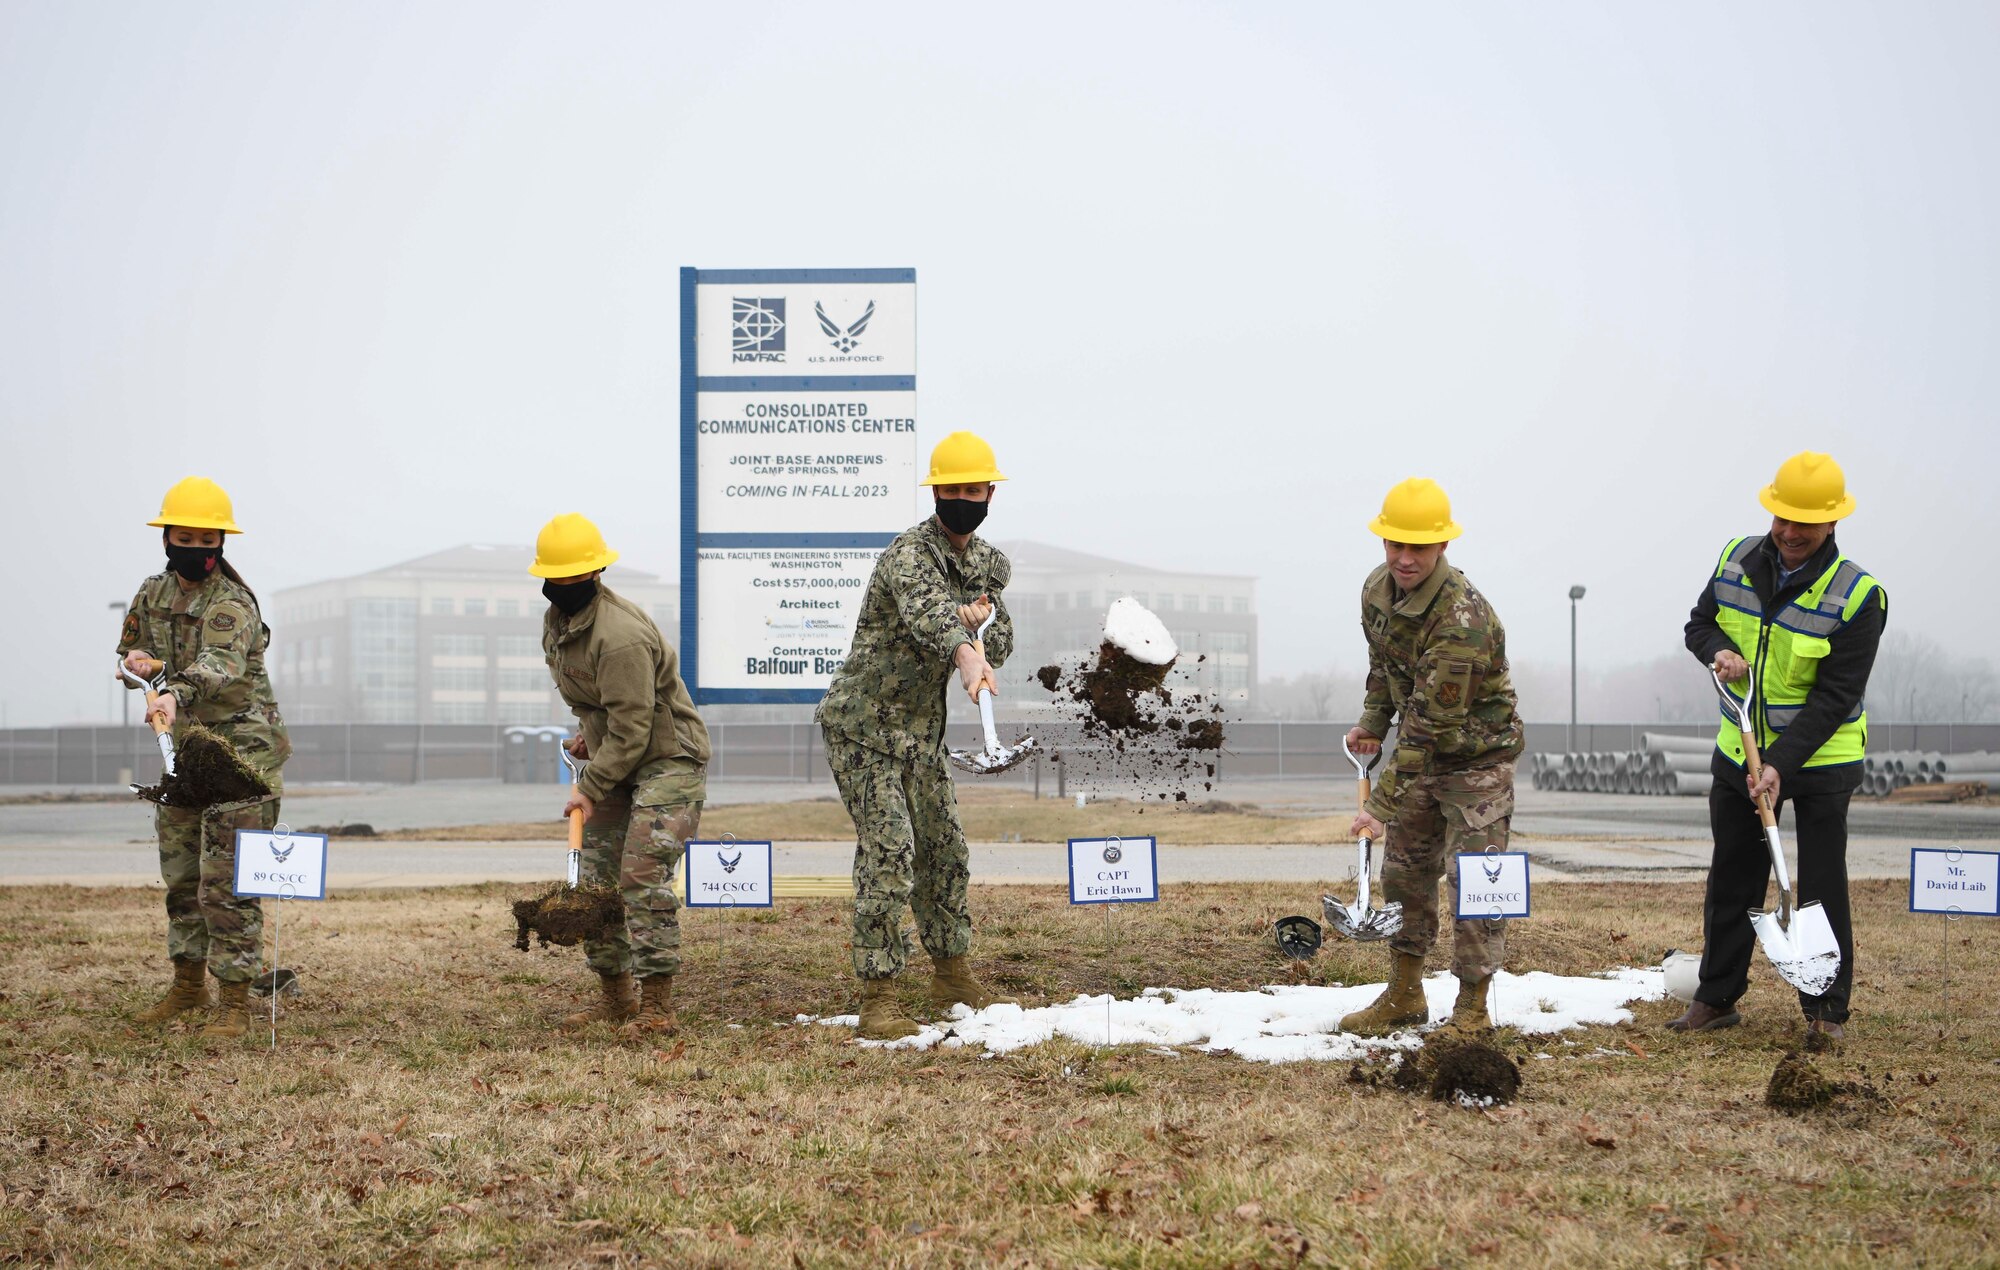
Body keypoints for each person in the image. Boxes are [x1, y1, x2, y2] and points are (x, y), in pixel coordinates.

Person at [1670, 452, 1884, 1039]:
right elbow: (1698, 623)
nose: (1790, 533)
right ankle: (1716, 997)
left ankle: (1825, 1012)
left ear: (1832, 524)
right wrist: (1716, 651)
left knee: (1818, 885)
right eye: (1782, 518)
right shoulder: (1735, 559)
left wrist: (1782, 766)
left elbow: (1836, 697)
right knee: (1733, 877)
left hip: (1821, 759)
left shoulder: (1859, 595)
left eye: (1805, 524)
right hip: (1740, 749)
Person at [815, 431, 1022, 1040]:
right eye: (952, 489)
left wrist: (985, 625)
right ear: (936, 491)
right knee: (892, 849)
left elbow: (1002, 644)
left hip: (920, 736)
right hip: (863, 729)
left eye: (974, 489)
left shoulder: (986, 565)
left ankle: (952, 972)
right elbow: (927, 612)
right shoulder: (909, 555)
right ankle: (879, 994)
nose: (964, 498)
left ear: (990, 493)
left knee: (945, 851)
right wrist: (962, 646)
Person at [1337, 478, 1523, 1039]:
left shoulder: (1462, 619)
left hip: (1476, 762)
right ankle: (1405, 993)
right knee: (1404, 874)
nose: (1405, 557)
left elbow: (1429, 723)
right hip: (1422, 756)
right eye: (1396, 544)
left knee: (1477, 884)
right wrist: (1373, 721)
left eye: (1418, 547)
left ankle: (1471, 1010)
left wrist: (1382, 803)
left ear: (1443, 546)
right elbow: (1385, 665)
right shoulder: (1377, 590)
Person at [117, 477, 290, 1041]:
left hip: (243, 757)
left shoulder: (232, 604)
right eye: (182, 536)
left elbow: (221, 665)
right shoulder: (151, 592)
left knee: (228, 882)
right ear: (167, 537)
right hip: (185, 752)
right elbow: (130, 650)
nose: (193, 546)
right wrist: (138, 663)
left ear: (220, 544)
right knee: (183, 875)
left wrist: (173, 691)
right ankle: (187, 985)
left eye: (204, 538)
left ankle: (236, 1001)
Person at [533, 513, 711, 1036]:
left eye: (573, 578)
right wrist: (590, 732)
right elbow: (605, 706)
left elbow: (634, 729)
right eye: (554, 578)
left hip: (668, 760)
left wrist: (588, 787)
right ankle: (616, 997)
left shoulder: (621, 635)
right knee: (596, 881)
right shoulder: (558, 625)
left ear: (595, 573)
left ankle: (657, 1005)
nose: (562, 587)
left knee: (640, 874)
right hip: (619, 756)